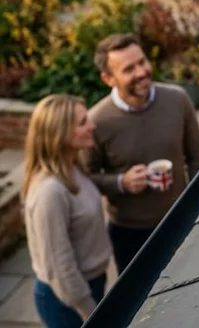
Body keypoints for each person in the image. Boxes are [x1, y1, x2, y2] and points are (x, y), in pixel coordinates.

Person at [86, 33, 199, 273]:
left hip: (180, 221)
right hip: (130, 235)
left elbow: (197, 158)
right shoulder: (97, 122)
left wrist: (197, 205)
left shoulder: (177, 100)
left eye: (142, 62)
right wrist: (122, 182)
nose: (141, 72)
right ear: (108, 78)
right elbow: (86, 178)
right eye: (129, 69)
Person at [22, 94, 112, 328]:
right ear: (60, 134)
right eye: (83, 122)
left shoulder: (73, 169)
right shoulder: (50, 192)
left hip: (89, 284)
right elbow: (59, 267)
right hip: (67, 302)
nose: (92, 126)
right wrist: (88, 310)